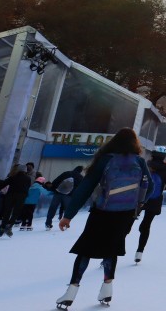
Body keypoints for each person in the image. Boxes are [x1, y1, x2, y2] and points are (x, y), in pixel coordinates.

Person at [54, 127, 151, 309]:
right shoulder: (139, 161)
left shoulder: (105, 160)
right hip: (125, 214)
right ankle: (107, 289)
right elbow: (150, 187)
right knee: (111, 250)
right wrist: (137, 206)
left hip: (102, 212)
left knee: (85, 249)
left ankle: (71, 291)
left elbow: (86, 187)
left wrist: (68, 215)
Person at [135, 146, 166, 264]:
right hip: (155, 200)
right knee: (146, 225)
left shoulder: (144, 166)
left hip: (138, 199)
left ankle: (112, 253)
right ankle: (139, 252)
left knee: (126, 225)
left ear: (152, 155)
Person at [0, 164, 31, 237]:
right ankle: (9, 226)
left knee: (7, 213)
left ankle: (2, 229)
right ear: (25, 170)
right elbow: (27, 188)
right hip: (21, 197)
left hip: (10, 196)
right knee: (16, 213)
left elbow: (1, 185)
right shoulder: (28, 178)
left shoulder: (12, 177)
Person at [46, 166, 83, 231]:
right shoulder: (80, 177)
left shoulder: (66, 173)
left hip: (58, 193)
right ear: (80, 171)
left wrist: (53, 189)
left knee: (53, 208)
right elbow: (79, 188)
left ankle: (48, 223)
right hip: (68, 195)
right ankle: (65, 224)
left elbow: (57, 180)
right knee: (67, 209)